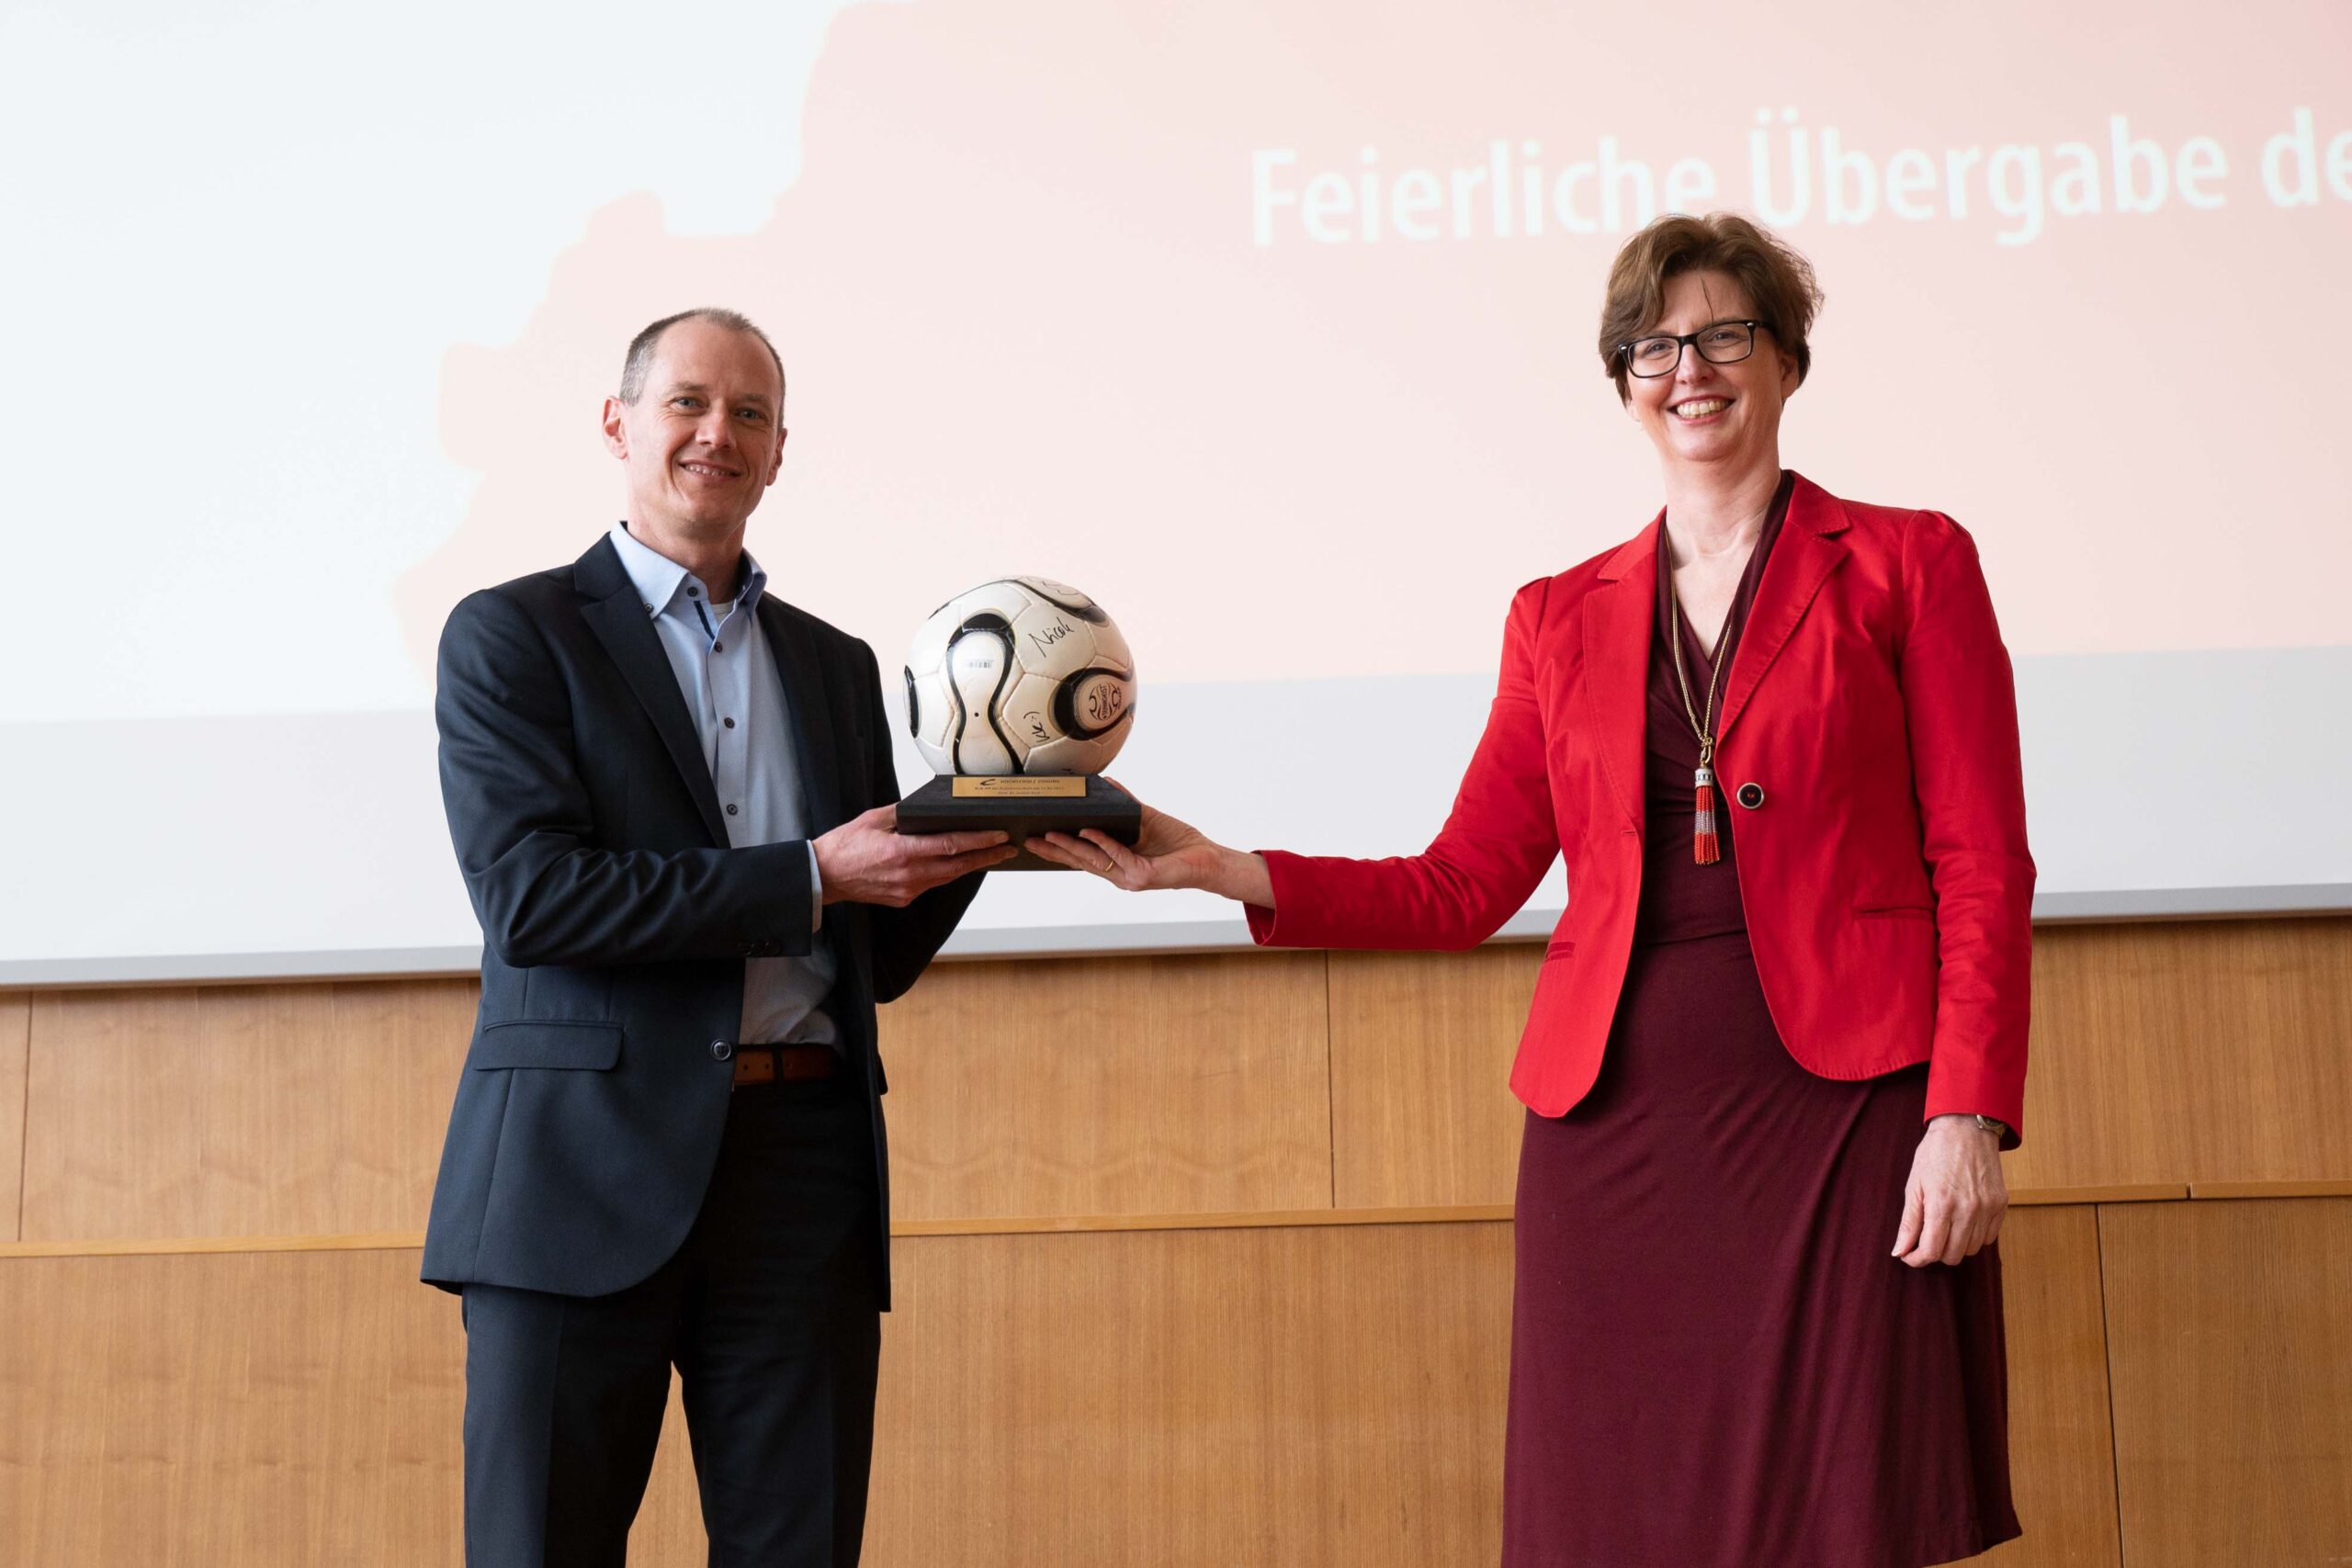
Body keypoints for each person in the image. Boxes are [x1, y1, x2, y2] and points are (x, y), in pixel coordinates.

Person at [1032, 214, 2031, 1565]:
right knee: (1618, 1516)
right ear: (1623, 380)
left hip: (1850, 1112)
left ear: (1787, 358)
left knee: (1841, 1511)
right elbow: (1463, 882)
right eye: (1653, 343)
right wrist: (1224, 870)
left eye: (1725, 332)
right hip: (1614, 1133)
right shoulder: (1556, 614)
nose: (1691, 366)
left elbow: (1982, 858)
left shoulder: (1912, 563)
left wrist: (1966, 1111)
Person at [423, 307, 1014, 1566]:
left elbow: (873, 955)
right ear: (617, 424)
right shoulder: (513, 634)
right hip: (576, 1180)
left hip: (802, 1178)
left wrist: (994, 826)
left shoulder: (838, 666)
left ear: (781, 450)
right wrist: (807, 872)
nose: (716, 433)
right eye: (688, 402)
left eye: (750, 413)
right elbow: (537, 903)